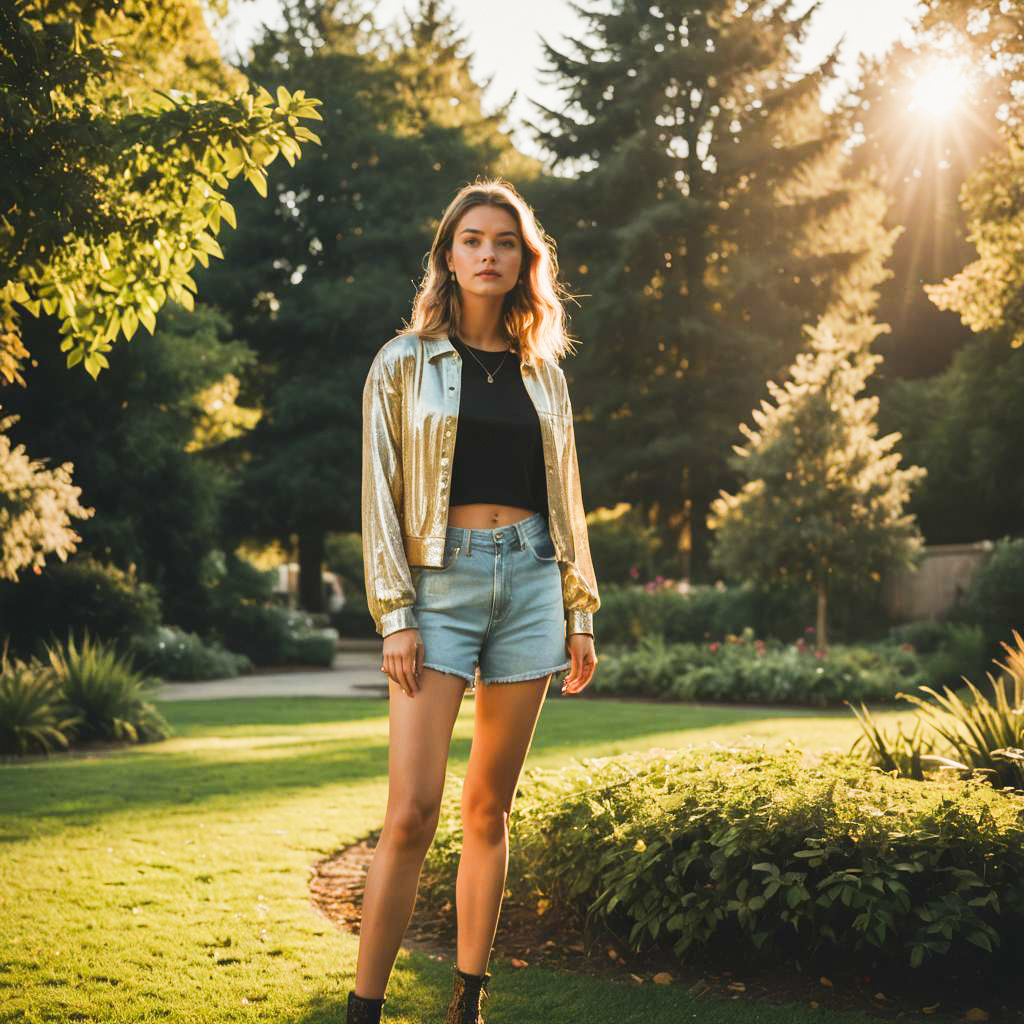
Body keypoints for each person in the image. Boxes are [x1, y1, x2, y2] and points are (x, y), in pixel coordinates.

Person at [347, 178, 600, 1024]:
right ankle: (365, 1008)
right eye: (472, 240)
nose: (488, 253)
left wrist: (579, 610)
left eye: (504, 242)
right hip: (438, 586)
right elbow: (379, 495)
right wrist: (396, 613)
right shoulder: (402, 363)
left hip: (530, 581)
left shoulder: (544, 375)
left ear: (525, 260)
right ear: (448, 257)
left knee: (489, 807)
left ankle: (466, 1002)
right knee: (412, 811)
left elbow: (566, 492)